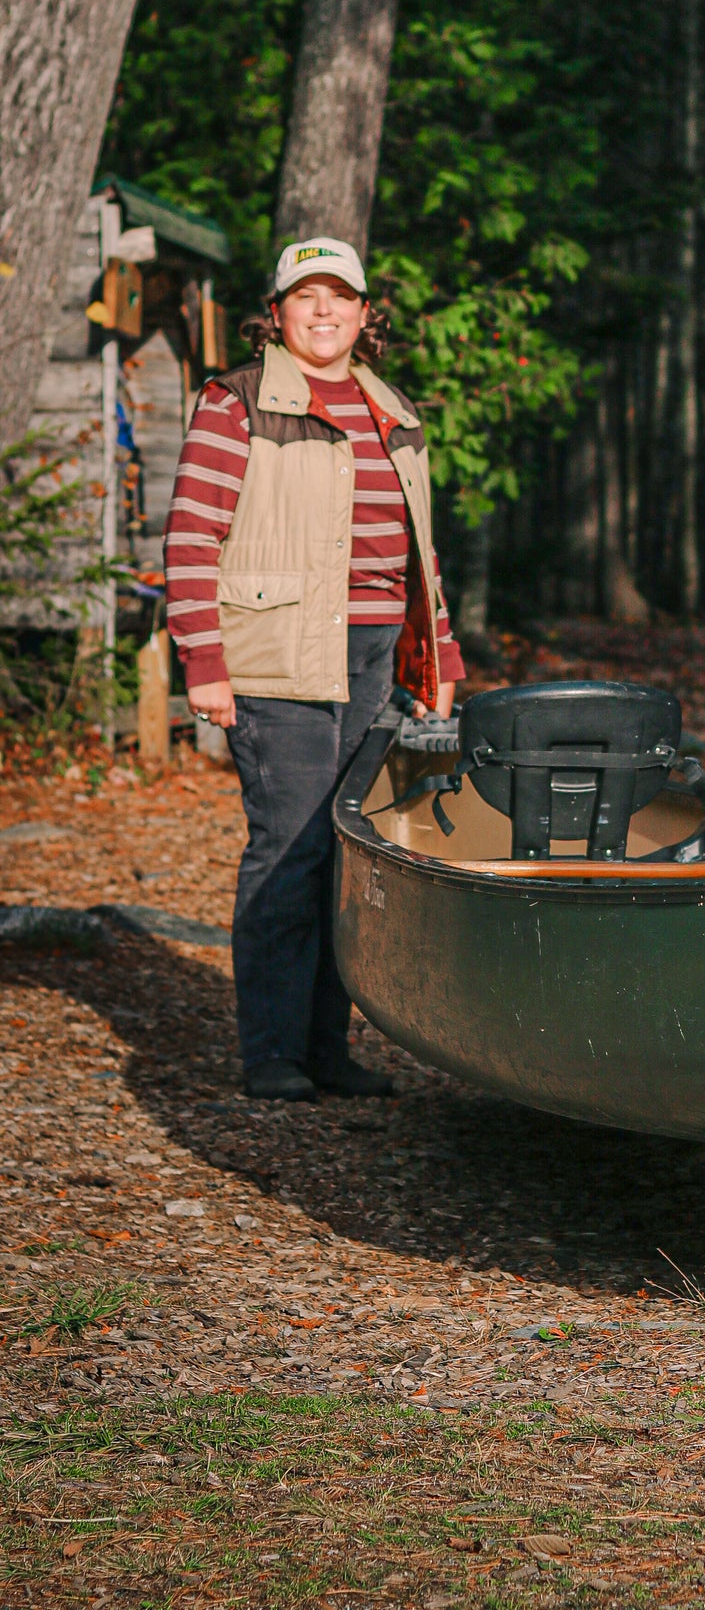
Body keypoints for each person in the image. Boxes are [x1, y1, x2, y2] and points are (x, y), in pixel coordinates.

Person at [165, 238, 466, 1102]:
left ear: (366, 316)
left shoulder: (392, 410)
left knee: (351, 858)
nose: (324, 311)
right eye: (307, 297)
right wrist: (205, 665)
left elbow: (422, 554)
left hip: (377, 654)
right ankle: (272, 1053)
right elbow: (192, 538)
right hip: (278, 656)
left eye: (341, 297)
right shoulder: (238, 402)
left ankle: (327, 1050)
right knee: (291, 851)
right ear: (279, 311)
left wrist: (438, 657)